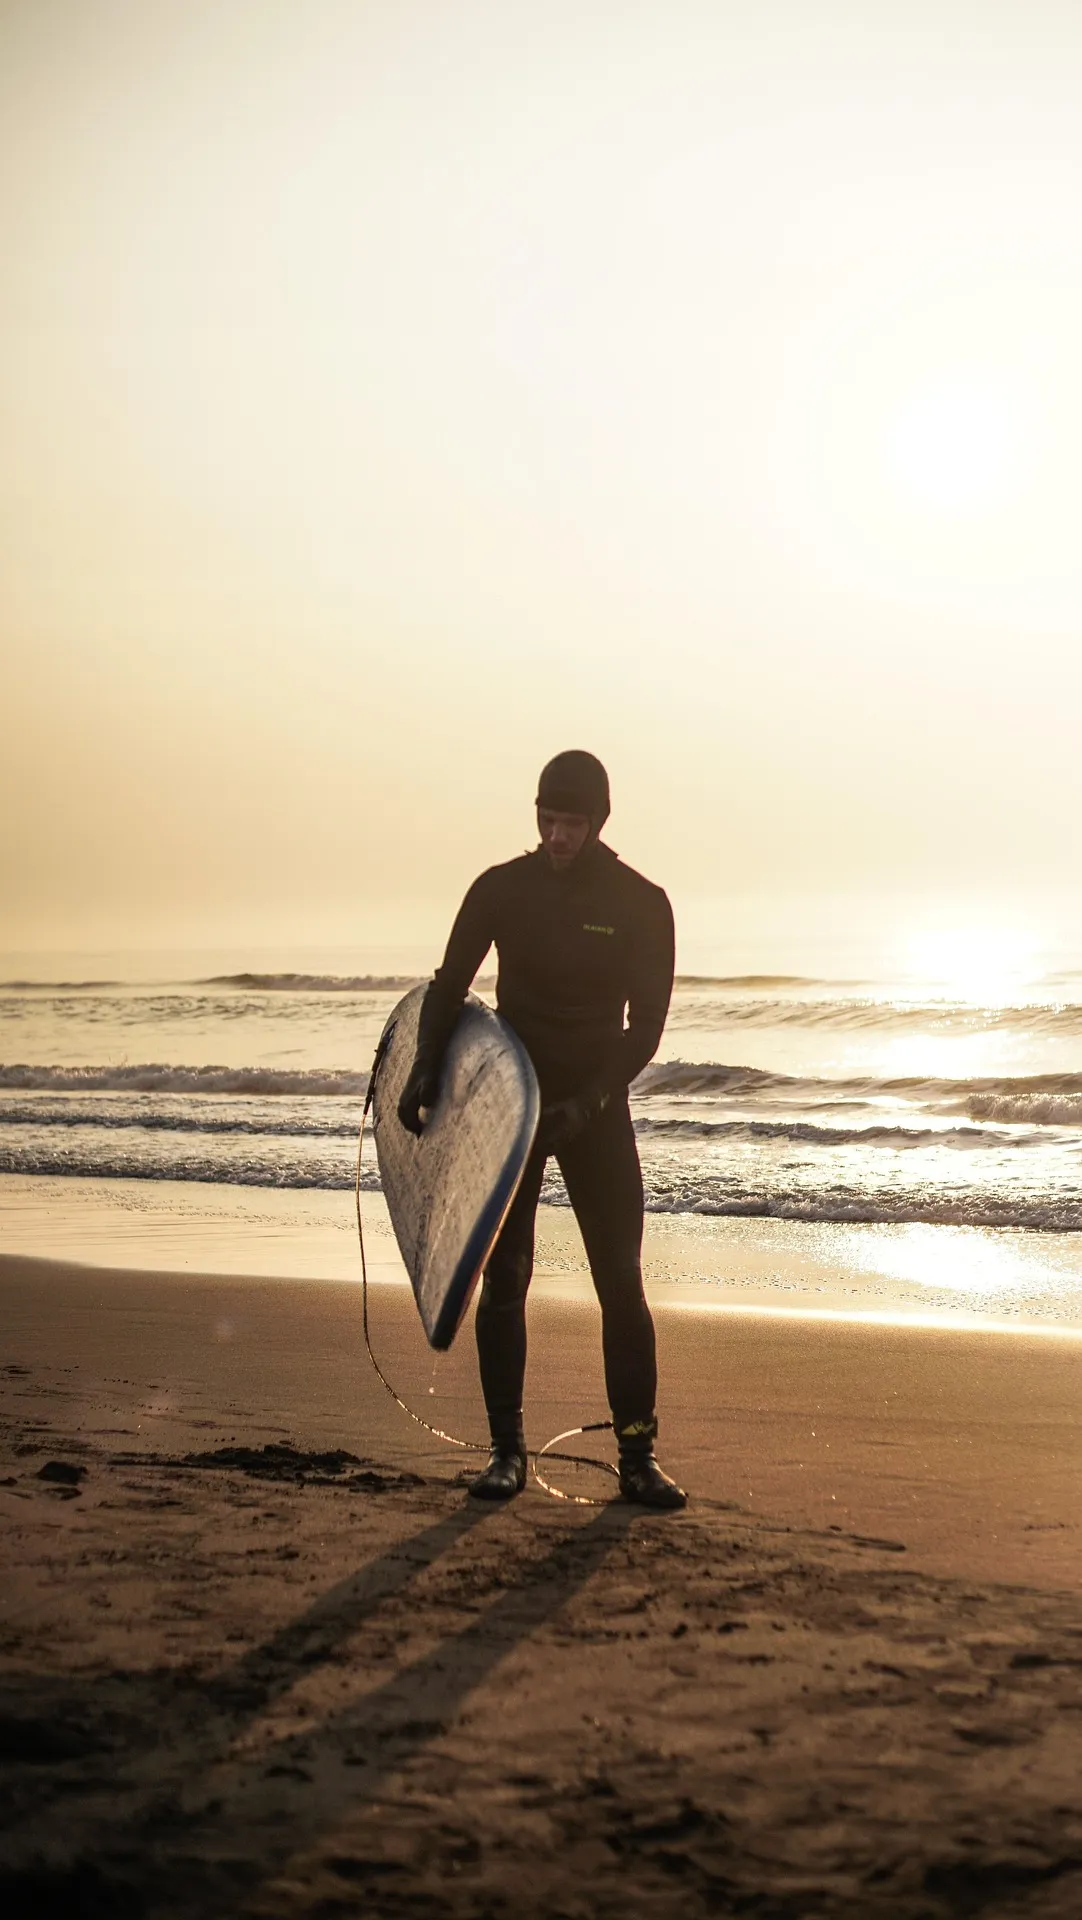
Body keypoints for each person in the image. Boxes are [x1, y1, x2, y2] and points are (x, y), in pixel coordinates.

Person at [397, 750, 686, 1510]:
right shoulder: (501, 889)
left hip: (595, 1109)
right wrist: (423, 1069)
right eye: (548, 820)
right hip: (512, 1108)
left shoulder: (640, 902)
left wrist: (586, 1104)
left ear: (599, 822)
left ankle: (638, 1458)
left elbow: (645, 1031)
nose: (558, 836)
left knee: (620, 1282)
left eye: (572, 823)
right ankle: (506, 1453)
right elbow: (449, 988)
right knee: (506, 1278)